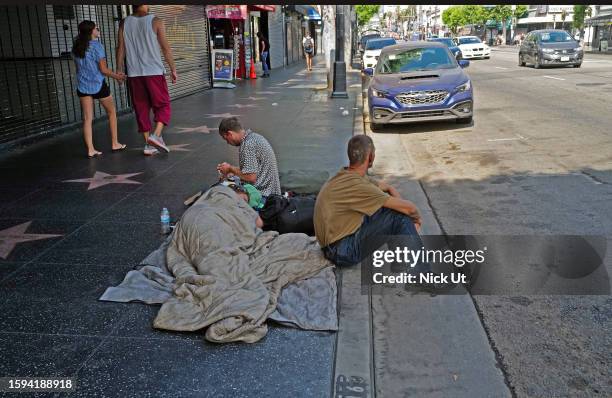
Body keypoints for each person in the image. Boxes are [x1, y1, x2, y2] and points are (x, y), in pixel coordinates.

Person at [314, 135, 423, 267]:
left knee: (392, 210)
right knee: (398, 217)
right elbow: (409, 208)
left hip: (333, 245)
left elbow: (385, 187)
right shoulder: (358, 186)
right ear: (370, 157)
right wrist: (415, 220)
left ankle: (401, 260)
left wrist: (392, 191)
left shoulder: (347, 175)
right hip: (342, 251)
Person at [116, 4, 177, 156]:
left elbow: (120, 48)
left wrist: (119, 70)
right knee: (162, 105)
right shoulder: (156, 21)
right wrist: (173, 69)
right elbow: (166, 48)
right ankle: (156, 135)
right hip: (154, 71)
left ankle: (148, 144)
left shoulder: (124, 22)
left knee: (141, 108)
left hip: (134, 73)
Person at [72, 20, 126, 158]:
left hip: (83, 86)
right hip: (98, 85)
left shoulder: (77, 47)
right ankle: (115, 143)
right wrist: (118, 76)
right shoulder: (97, 46)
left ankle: (90, 149)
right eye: (97, 28)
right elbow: (103, 70)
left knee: (87, 118)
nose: (99, 30)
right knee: (112, 112)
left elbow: (78, 69)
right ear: (91, 32)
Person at [216, 117, 281, 197]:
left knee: (221, 194)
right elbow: (251, 170)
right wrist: (232, 171)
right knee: (231, 182)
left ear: (230, 134)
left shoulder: (248, 144)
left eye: (226, 139)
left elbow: (250, 177)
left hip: (264, 194)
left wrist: (230, 168)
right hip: (272, 191)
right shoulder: (253, 137)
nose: (227, 143)